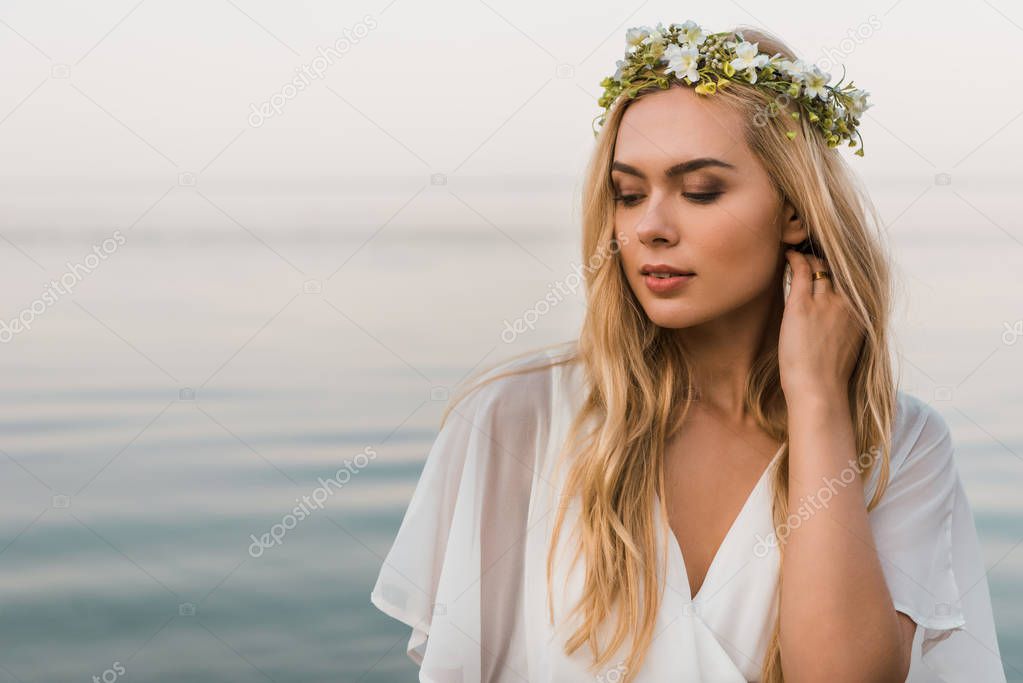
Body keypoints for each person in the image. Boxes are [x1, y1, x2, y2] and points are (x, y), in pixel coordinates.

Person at [370, 20, 1007, 682]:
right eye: (628, 194)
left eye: (699, 190)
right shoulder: (511, 419)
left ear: (793, 209)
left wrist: (817, 403)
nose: (649, 227)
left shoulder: (899, 444)